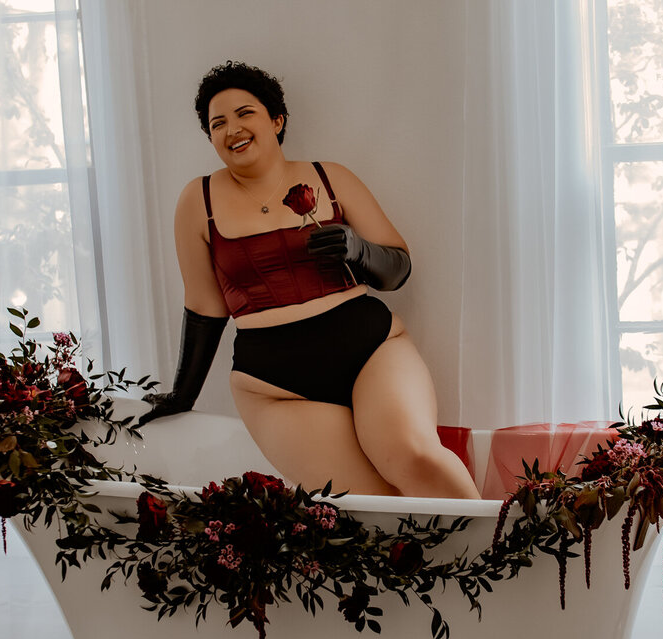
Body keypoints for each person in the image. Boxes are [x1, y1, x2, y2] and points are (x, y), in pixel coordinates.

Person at [140, 61, 480, 499]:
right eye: (217, 123)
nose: (232, 129)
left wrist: (359, 250)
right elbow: (205, 305)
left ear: (276, 120)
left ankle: (506, 561)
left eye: (245, 113)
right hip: (275, 387)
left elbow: (399, 268)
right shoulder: (197, 200)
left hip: (371, 350)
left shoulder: (330, 177)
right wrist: (181, 393)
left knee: (413, 457)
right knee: (372, 507)